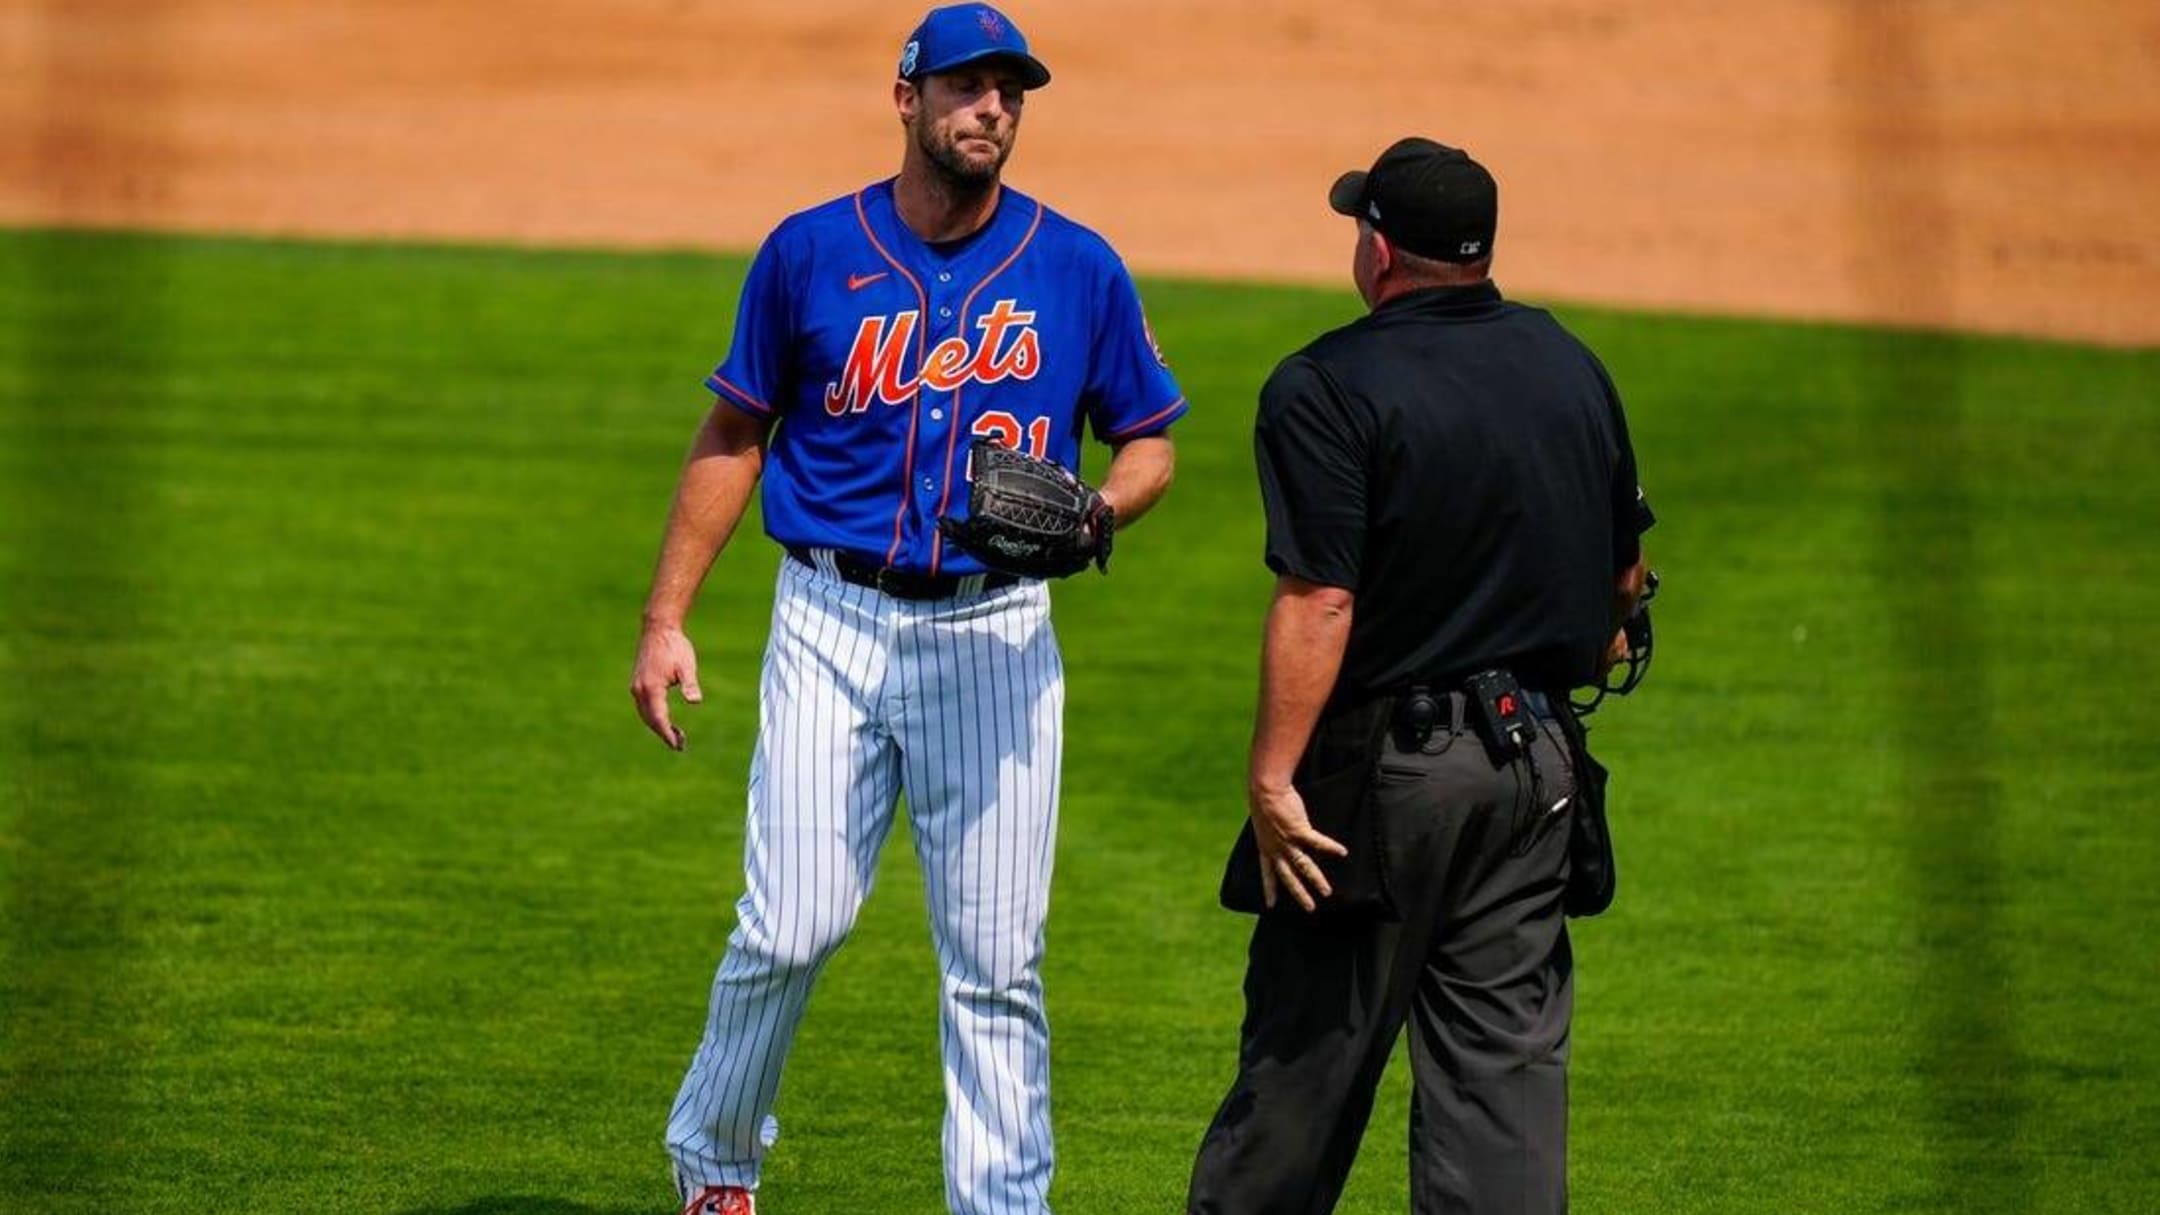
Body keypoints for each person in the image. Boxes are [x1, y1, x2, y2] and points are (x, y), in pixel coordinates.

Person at [629, 6, 1184, 1215]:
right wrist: (666, 617)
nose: (993, 109)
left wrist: (1097, 512)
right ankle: (716, 1164)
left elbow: (1150, 440)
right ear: (907, 98)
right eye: (969, 88)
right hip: (828, 624)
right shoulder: (808, 252)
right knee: (788, 926)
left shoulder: (1076, 265)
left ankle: (1002, 1206)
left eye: (1012, 93)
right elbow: (736, 429)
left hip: (994, 638)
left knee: (995, 966)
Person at [1186, 137, 1653, 1215]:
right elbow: (1623, 579)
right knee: (1502, 1109)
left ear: (1381, 250)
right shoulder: (1569, 364)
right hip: (1536, 773)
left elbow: (1322, 600)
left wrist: (1272, 780)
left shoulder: (1327, 384)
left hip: (1384, 791)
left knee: (1298, 1092)